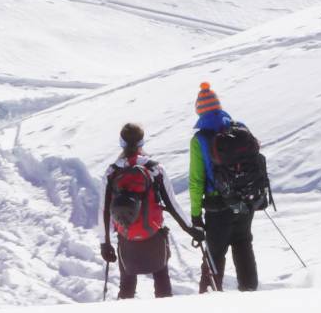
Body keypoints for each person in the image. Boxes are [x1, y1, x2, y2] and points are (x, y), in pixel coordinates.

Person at [101, 122, 204, 299]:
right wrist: (191, 229)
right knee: (162, 279)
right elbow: (172, 204)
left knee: (126, 286)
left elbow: (104, 210)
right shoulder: (155, 169)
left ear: (121, 143)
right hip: (154, 235)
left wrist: (105, 242)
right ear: (142, 142)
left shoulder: (112, 171)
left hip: (127, 237)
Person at [189, 82, 259, 292]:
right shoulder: (240, 127)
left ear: (199, 111)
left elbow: (196, 180)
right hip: (245, 201)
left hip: (217, 206)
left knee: (215, 255)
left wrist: (195, 215)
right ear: (219, 106)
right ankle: (251, 293)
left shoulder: (200, 139)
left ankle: (209, 298)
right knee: (243, 245)